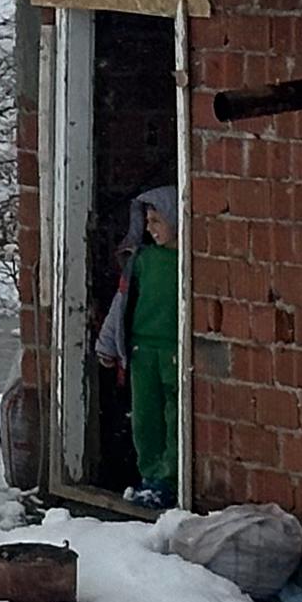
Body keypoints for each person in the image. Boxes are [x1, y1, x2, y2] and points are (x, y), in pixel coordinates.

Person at [91, 183, 181, 510]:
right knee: (146, 419)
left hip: (174, 352)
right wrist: (108, 345)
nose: (150, 228)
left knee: (175, 418)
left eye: (157, 221)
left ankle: (171, 479)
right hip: (142, 352)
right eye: (147, 221)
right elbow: (122, 303)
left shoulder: (189, 262)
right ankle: (151, 478)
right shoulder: (142, 261)